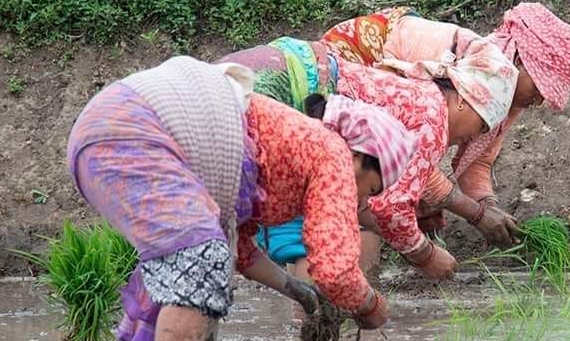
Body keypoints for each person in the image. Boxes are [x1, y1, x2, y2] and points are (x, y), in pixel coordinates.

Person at [66, 57, 415, 341]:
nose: (360, 203)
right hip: (136, 131)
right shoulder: (333, 154)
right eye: (370, 189)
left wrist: (300, 292)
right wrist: (372, 307)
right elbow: (335, 270)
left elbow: (238, 253)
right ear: (359, 158)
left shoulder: (277, 147)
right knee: (199, 258)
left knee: (200, 258)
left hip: (99, 130)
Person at [217, 35, 529, 280]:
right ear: (464, 100)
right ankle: (313, 330)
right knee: (325, 225)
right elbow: (388, 207)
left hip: (271, 66)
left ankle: (311, 325)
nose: (472, 137)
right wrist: (425, 255)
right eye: (480, 126)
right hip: (285, 89)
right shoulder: (432, 121)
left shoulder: (417, 96)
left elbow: (394, 192)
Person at [322, 2, 570, 234]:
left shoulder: (504, 97)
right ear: (519, 59)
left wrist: (487, 207)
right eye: (540, 87)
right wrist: (473, 213)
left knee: (386, 199)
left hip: (384, 119)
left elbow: (479, 161)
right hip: (346, 72)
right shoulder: (458, 56)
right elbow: (407, 154)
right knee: (349, 200)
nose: (540, 100)